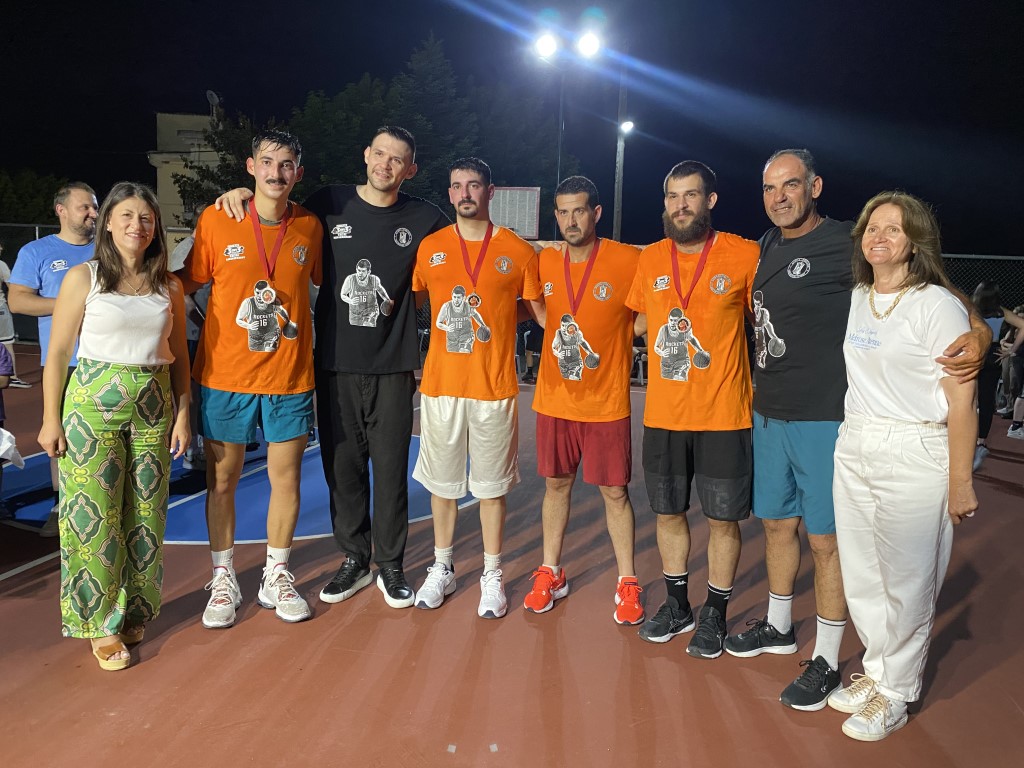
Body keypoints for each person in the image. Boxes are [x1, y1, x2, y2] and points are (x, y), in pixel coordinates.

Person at [726, 149, 990, 711]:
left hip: (825, 416)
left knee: (827, 542)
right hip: (770, 411)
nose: (779, 196)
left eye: (791, 184)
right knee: (777, 526)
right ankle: (779, 626)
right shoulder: (767, 245)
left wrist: (980, 330)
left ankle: (826, 658)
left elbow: (934, 286)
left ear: (815, 186)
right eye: (769, 187)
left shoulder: (846, 243)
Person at [216, 126, 448, 608]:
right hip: (334, 364)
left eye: (397, 159)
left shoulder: (426, 217)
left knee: (390, 471)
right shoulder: (328, 204)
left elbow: (465, 248)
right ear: (366, 155)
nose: (385, 164)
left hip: (393, 366)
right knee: (342, 470)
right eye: (379, 154)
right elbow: (275, 209)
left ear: (410, 169)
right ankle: (355, 559)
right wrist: (241, 192)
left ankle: (391, 564)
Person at [829, 191, 978, 741]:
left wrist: (960, 482)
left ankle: (896, 692)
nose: (880, 236)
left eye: (893, 229)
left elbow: (962, 400)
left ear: (915, 242)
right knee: (864, 574)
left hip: (915, 449)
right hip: (856, 443)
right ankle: (876, 671)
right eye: (873, 227)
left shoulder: (935, 305)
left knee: (909, 581)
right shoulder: (859, 296)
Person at [37, 182, 190, 670]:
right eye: (126, 215)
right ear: (106, 222)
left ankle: (136, 610)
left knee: (146, 515)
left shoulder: (169, 285)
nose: (136, 225)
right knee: (95, 517)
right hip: (92, 408)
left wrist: (183, 413)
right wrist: (50, 418)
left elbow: (180, 355)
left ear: (155, 227)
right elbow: (59, 353)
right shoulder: (83, 278)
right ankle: (100, 624)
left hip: (153, 407)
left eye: (145, 217)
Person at [181, 129, 323, 629]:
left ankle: (275, 574)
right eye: (267, 162)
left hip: (289, 377)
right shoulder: (217, 218)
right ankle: (223, 576)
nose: (275, 173)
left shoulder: (309, 226)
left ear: (298, 172)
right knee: (222, 480)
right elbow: (185, 283)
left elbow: (330, 284)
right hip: (225, 376)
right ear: (250, 166)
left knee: (287, 479)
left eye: (286, 164)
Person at [626, 161, 758, 658]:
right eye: (672, 197)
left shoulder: (744, 254)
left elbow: (769, 318)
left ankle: (715, 612)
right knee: (668, 513)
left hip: (724, 414)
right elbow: (638, 322)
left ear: (710, 200)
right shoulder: (650, 259)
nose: (680, 206)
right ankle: (678, 604)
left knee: (723, 520)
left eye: (690, 195)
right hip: (663, 415)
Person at [411, 157, 541, 618]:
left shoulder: (519, 251)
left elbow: (534, 309)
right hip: (441, 386)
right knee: (443, 485)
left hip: (493, 387)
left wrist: (500, 319)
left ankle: (492, 573)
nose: (465, 193)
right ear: (450, 193)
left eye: (473, 185)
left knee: (490, 488)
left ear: (491, 191)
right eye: (457, 186)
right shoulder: (430, 248)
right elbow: (417, 301)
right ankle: (442, 566)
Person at [521, 175, 645, 625]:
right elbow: (537, 306)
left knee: (615, 492)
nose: (571, 220)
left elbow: (651, 305)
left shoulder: (627, 258)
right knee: (556, 485)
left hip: (606, 401)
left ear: (596, 213)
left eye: (579, 211)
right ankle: (551, 570)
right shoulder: (546, 261)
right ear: (556, 216)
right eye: (563, 212)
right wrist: (550, 325)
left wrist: (623, 335)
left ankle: (627, 580)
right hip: (555, 398)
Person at [10, 182, 98, 536]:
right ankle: (62, 503)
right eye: (85, 207)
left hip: (108, 358)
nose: (93, 213)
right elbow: (18, 300)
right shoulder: (36, 252)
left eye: (95, 207)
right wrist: (69, 305)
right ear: (61, 210)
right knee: (61, 434)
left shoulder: (108, 247)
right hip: (64, 360)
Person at [970, 281, 1024, 470]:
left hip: (973, 352)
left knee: (968, 400)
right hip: (992, 354)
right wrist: (1012, 350)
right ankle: (981, 441)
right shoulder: (1001, 312)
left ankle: (965, 440)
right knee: (986, 401)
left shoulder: (970, 309)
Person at [0, 244, 30, 388]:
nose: (1, 248)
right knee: (6, 343)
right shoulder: (1, 265)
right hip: (0, 310)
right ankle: (12, 377)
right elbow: (13, 287)